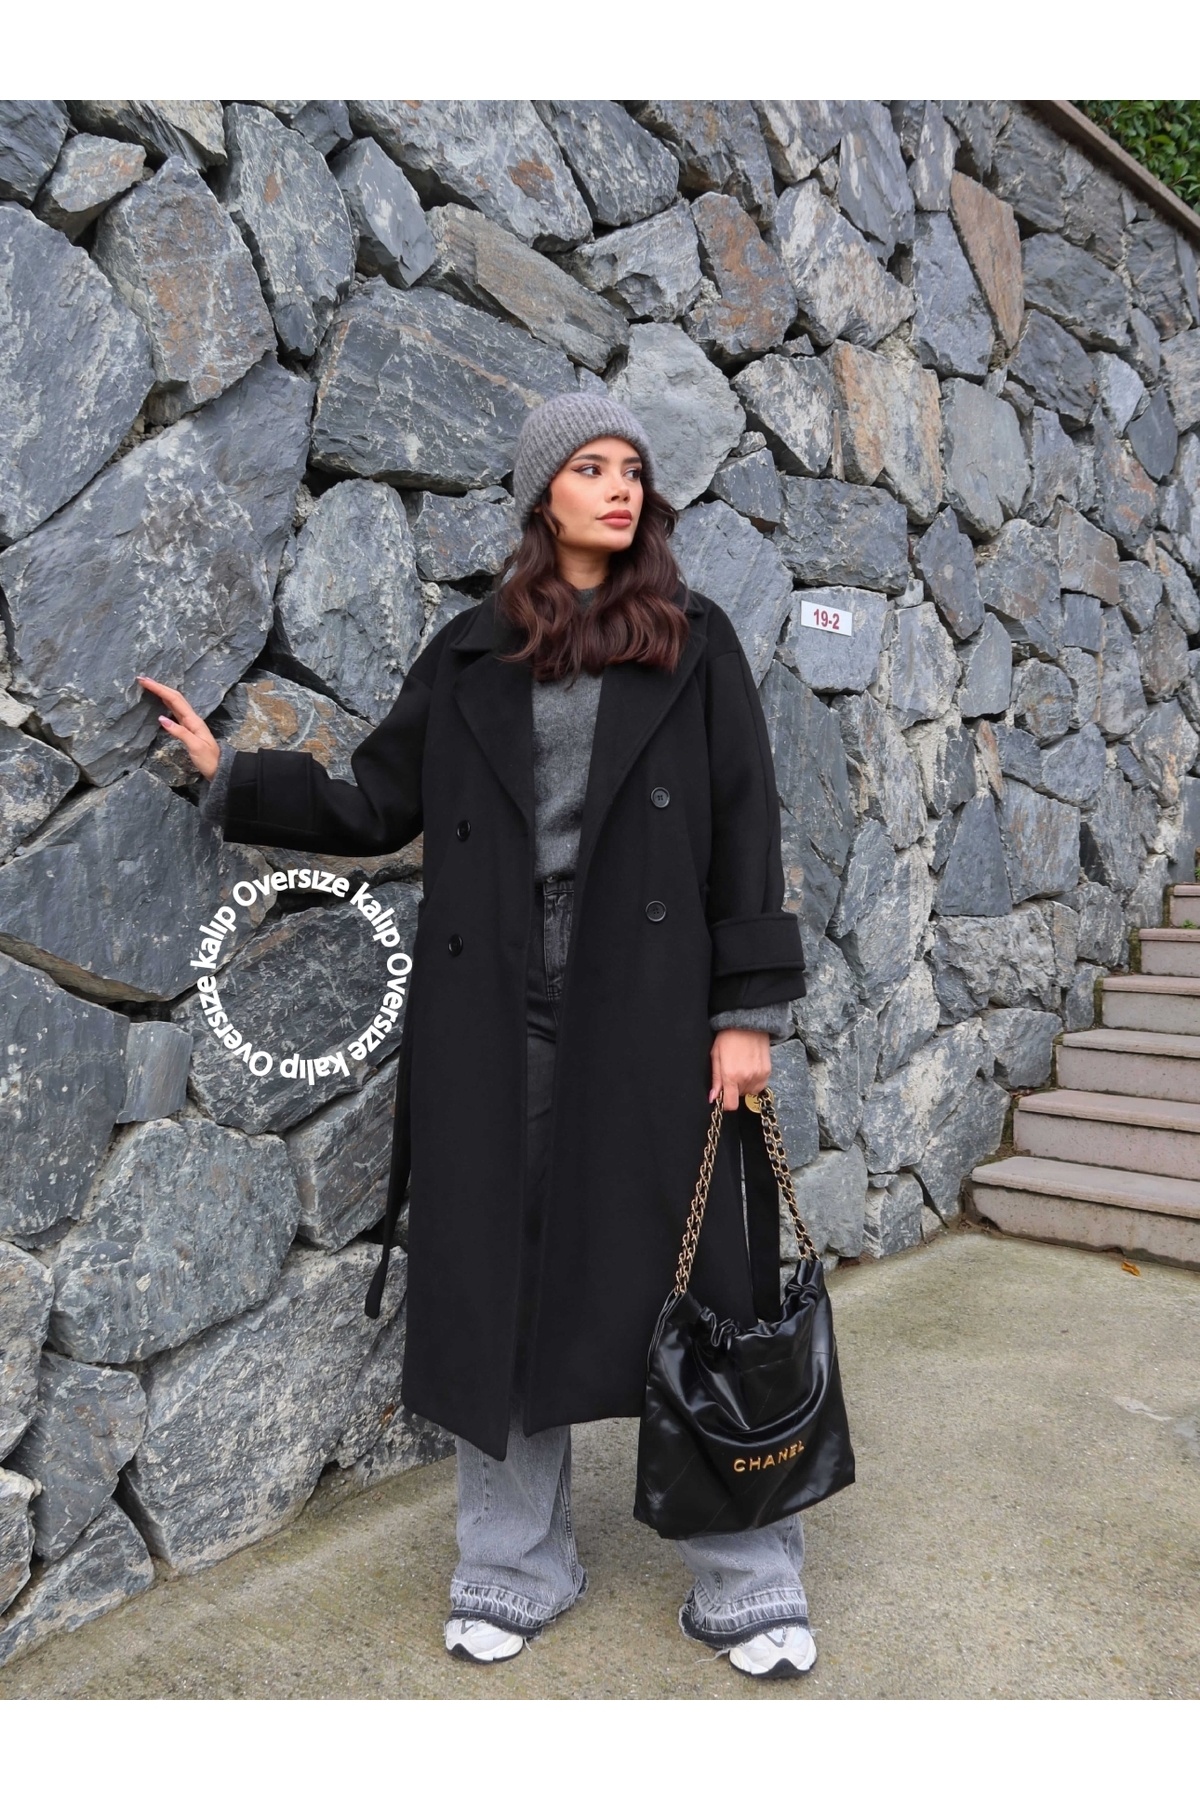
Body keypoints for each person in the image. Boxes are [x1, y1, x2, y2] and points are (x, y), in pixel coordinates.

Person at [138, 391, 815, 1680]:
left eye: (632, 468)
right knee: (499, 1268)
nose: (619, 487)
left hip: (653, 1001)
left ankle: (748, 1570)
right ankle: (514, 1562)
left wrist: (747, 1018)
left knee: (710, 1281)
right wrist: (233, 774)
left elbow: (748, 825)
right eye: (590, 467)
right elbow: (376, 800)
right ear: (541, 492)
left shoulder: (695, 641)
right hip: (499, 1001)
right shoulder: (470, 654)